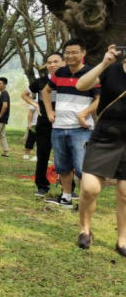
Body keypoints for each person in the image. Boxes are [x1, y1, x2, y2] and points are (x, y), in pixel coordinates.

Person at [75, 44, 126, 253]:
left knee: (125, 193)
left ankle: (123, 237)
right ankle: (84, 228)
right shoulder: (112, 68)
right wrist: (104, 63)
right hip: (105, 135)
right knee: (90, 188)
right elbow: (81, 85)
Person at [43, 39, 100, 208]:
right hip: (58, 127)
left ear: (83, 53)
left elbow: (100, 99)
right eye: (67, 53)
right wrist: (49, 111)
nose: (70, 56)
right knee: (62, 165)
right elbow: (46, 91)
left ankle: (84, 202)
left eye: (74, 52)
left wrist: (85, 112)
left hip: (81, 129)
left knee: (82, 168)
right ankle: (66, 197)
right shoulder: (60, 72)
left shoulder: (91, 73)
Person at [22, 52, 63, 197]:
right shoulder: (41, 82)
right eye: (49, 62)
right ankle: (42, 186)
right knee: (42, 156)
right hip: (44, 124)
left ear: (63, 63)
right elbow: (24, 94)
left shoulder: (68, 81)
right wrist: (36, 104)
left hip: (64, 124)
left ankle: (67, 188)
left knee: (63, 157)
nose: (52, 65)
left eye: (56, 62)